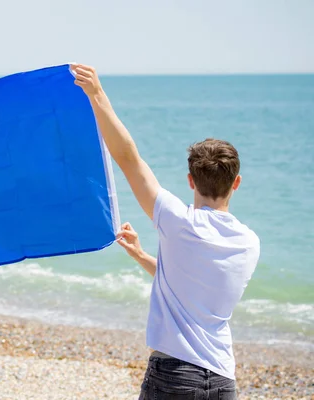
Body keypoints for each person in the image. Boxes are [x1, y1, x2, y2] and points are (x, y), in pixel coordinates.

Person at [71, 64, 260, 399]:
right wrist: (142, 256)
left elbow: (129, 158)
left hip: (174, 376)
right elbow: (189, 284)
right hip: (222, 380)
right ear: (237, 184)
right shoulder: (249, 243)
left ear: (190, 181)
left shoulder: (179, 221)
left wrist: (97, 94)